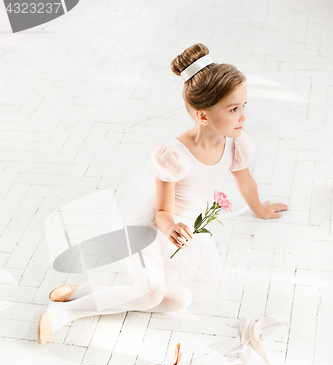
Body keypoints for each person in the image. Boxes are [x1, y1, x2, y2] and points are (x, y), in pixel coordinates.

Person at [37, 43, 288, 345]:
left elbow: (245, 181)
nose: (243, 116)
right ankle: (65, 313)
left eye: (244, 106)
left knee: (177, 301)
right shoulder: (174, 156)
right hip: (150, 230)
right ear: (203, 116)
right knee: (151, 293)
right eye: (234, 109)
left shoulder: (234, 143)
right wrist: (172, 228)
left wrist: (259, 209)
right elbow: (161, 213)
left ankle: (89, 291)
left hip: (180, 233)